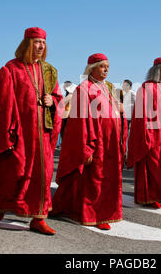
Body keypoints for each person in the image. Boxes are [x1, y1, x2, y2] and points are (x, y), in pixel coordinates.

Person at [0, 27, 62, 235]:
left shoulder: (50, 71)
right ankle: (3, 204)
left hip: (43, 136)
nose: (41, 46)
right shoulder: (11, 69)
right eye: (37, 42)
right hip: (19, 133)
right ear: (27, 44)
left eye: (44, 43)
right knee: (14, 170)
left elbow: (58, 99)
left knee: (42, 176)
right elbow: (2, 103)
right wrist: (12, 130)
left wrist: (52, 101)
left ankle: (38, 218)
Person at [52, 53, 127, 229]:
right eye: (102, 66)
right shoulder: (83, 89)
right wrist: (85, 147)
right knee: (95, 179)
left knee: (107, 179)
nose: (106, 69)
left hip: (111, 142)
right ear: (92, 68)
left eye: (108, 66)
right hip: (96, 141)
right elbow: (80, 121)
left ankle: (98, 210)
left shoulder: (107, 87)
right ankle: (96, 214)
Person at [127, 57, 161, 209]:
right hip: (153, 133)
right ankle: (151, 197)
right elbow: (139, 113)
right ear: (156, 70)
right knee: (154, 165)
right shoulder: (145, 88)